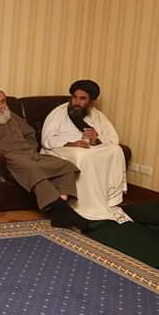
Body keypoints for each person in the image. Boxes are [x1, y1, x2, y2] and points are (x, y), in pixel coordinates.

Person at [0, 85, 89, 231]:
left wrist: (31, 148)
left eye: (3, 101)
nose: (0, 106)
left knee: (65, 165)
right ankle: (65, 212)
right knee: (34, 170)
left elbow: (30, 133)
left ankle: (60, 213)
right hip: (10, 156)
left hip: (30, 153)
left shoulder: (12, 116)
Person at [40, 79, 130, 223]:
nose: (77, 102)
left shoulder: (98, 116)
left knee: (116, 150)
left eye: (82, 99)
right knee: (82, 155)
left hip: (90, 149)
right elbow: (47, 139)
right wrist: (70, 143)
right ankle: (82, 203)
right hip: (61, 149)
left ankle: (110, 201)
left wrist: (97, 139)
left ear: (91, 101)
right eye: (74, 97)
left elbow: (113, 139)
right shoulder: (58, 113)